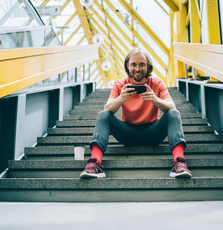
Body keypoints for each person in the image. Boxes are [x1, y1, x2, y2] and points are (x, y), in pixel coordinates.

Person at [80, 48, 191, 179]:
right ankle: (94, 164)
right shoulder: (120, 84)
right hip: (127, 134)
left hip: (153, 133)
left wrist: (155, 99)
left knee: (173, 113)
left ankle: (179, 163)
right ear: (128, 65)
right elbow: (107, 108)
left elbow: (172, 107)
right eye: (133, 64)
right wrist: (121, 98)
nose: (137, 69)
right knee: (103, 115)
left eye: (142, 64)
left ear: (148, 66)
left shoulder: (157, 83)